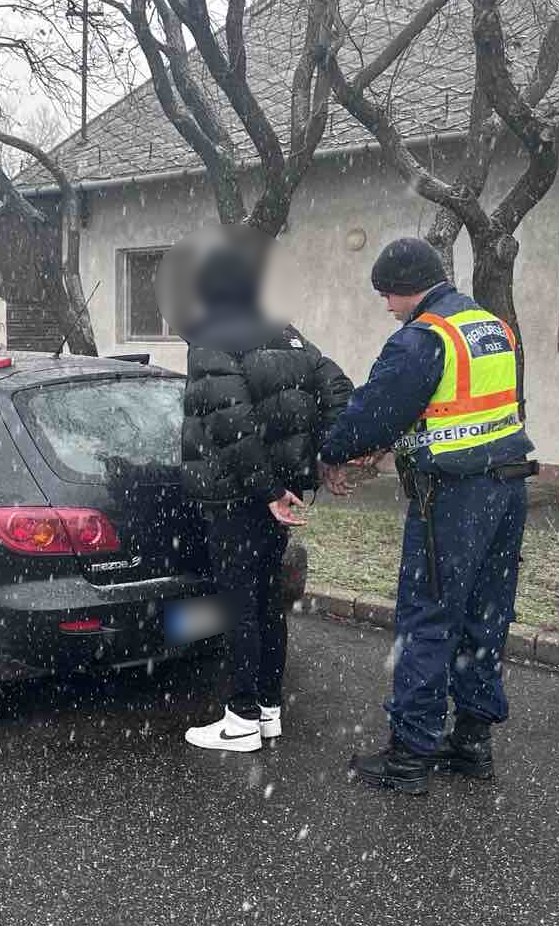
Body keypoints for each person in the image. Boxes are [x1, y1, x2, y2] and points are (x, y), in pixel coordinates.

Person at [320, 237, 537, 794]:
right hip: (507, 489)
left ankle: (410, 755)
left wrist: (332, 451)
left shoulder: (421, 338)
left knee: (427, 618)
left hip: (453, 498)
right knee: (485, 617)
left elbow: (373, 414)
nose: (387, 307)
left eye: (386, 295)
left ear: (404, 287)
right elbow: (455, 406)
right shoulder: (492, 326)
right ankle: (471, 742)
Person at [176, 228, 354, 753]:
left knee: (240, 604)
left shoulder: (213, 337)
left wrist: (268, 488)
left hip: (238, 497)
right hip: (281, 497)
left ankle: (240, 718)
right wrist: (328, 454)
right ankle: (269, 710)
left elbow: (232, 424)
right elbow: (338, 387)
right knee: (265, 599)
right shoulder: (289, 334)